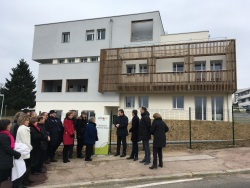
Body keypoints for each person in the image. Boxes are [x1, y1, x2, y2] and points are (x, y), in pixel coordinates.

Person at [0, 119, 21, 187]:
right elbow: (7, 149)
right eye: (9, 124)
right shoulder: (4, 136)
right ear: (5, 126)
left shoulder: (5, 134)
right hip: (3, 160)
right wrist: (17, 154)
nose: (11, 126)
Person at [15, 115, 33, 187]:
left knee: (26, 166)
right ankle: (24, 182)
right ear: (23, 121)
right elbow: (25, 141)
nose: (28, 121)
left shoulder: (23, 128)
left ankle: (26, 180)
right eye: (27, 120)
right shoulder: (23, 129)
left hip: (24, 150)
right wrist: (30, 147)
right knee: (25, 166)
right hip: (24, 150)